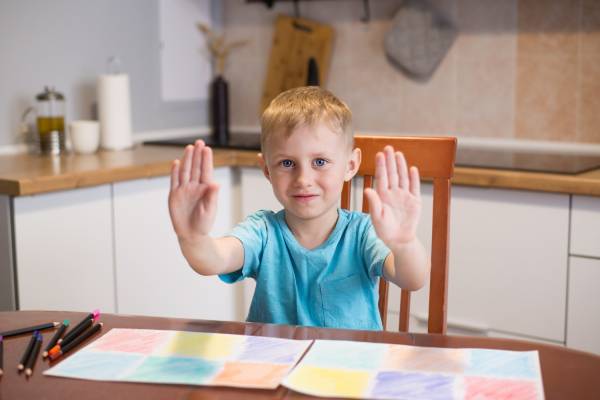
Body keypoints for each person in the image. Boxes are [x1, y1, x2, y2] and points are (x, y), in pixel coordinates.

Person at [168, 87, 429, 330]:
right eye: (287, 163)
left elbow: (412, 279)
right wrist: (193, 238)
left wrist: (404, 243)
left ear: (350, 165)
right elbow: (212, 260)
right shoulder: (262, 231)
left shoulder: (363, 232)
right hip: (274, 366)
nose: (303, 179)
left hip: (349, 371)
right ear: (267, 169)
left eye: (320, 161)